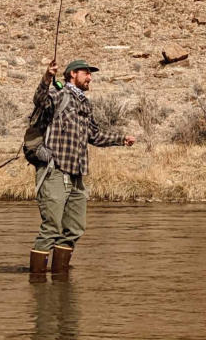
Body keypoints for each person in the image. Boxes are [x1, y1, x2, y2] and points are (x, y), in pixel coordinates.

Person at [27, 59, 134, 277]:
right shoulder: (58, 96)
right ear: (73, 74)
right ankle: (37, 283)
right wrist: (47, 77)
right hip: (53, 171)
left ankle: (59, 279)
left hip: (77, 175)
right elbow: (39, 100)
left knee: (74, 228)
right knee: (51, 228)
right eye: (87, 73)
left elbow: (94, 135)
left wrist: (121, 139)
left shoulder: (85, 103)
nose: (90, 77)